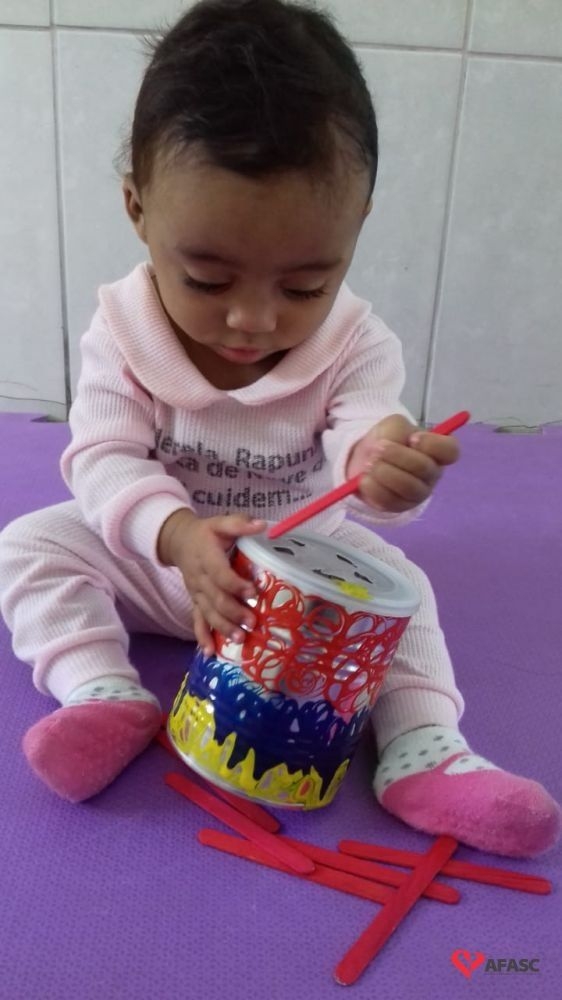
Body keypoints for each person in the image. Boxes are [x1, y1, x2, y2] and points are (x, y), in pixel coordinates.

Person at [0, 0, 558, 857]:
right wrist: (176, 535)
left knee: (405, 590)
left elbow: (368, 432)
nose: (254, 320)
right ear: (137, 208)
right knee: (28, 545)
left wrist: (386, 465)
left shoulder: (358, 344)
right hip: (160, 564)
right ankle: (103, 693)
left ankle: (423, 749)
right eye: (207, 279)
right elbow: (103, 459)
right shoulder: (122, 330)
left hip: (302, 594)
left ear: (357, 224)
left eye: (304, 288)